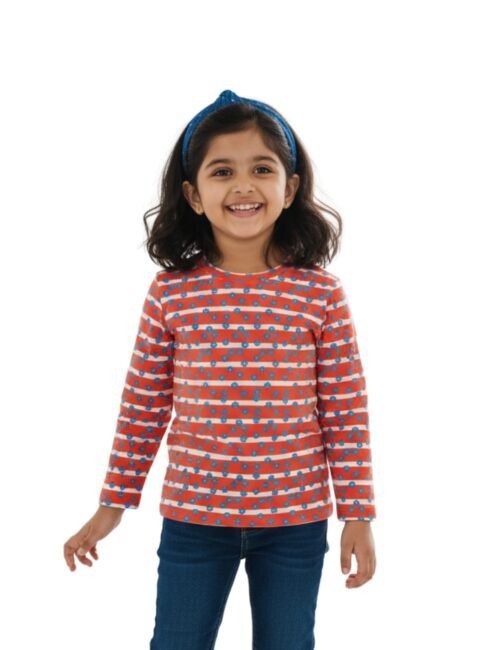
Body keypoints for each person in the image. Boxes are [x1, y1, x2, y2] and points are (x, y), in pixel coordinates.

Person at [63, 89, 377, 649]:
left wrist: (358, 514)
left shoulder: (321, 295)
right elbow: (143, 406)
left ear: (290, 188)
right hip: (194, 522)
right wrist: (113, 505)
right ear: (194, 194)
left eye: (262, 169)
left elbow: (345, 411)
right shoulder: (171, 294)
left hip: (295, 522)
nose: (243, 186)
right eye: (222, 171)